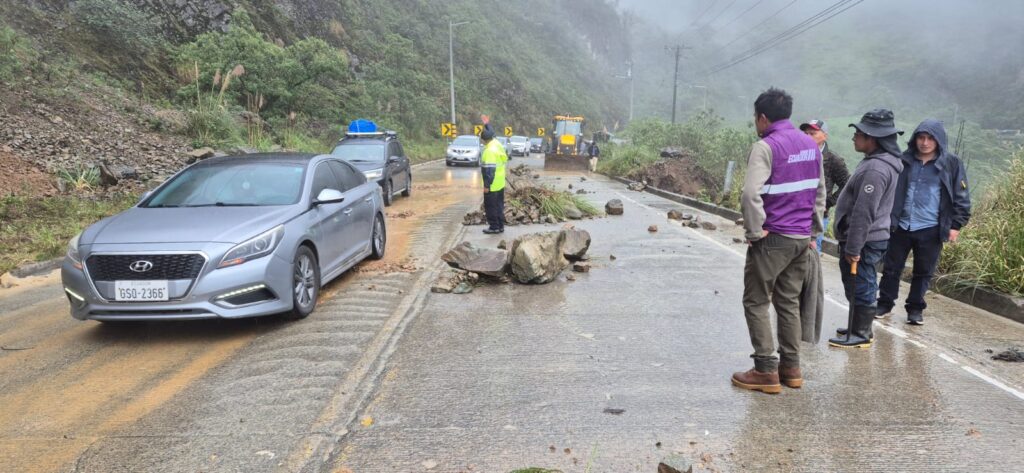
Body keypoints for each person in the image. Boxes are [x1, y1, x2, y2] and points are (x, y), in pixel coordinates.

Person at [734, 87, 826, 394]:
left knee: (756, 300)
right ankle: (791, 368)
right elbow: (819, 193)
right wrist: (812, 233)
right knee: (788, 302)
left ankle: (765, 370)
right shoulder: (811, 146)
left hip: (774, 237)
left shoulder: (765, 146)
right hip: (801, 239)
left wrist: (754, 231)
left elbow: (750, 194)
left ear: (762, 118)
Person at [877, 119, 971, 325]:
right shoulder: (904, 160)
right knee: (891, 268)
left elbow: (961, 195)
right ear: (915, 139)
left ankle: (915, 309)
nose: (925, 143)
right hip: (900, 225)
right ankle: (884, 303)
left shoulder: (951, 163)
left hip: (931, 227)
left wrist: (956, 225)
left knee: (923, 271)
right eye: (921, 137)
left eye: (930, 138)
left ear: (939, 141)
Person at [828, 109, 904, 348]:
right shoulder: (875, 162)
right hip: (867, 237)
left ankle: (861, 333)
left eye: (859, 133)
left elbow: (864, 212)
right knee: (857, 283)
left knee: (861, 283)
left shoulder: (876, 169)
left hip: (865, 239)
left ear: (873, 138)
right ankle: (857, 326)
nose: (854, 137)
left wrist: (853, 247)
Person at [799, 119, 850, 252]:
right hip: (796, 212)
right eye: (805, 133)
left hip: (817, 216)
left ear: (824, 136)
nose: (808, 137)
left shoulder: (833, 160)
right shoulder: (797, 154)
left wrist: (828, 203)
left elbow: (847, 184)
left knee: (812, 253)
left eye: (812, 133)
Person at [479, 124, 508, 234]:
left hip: (492, 184)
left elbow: (489, 171)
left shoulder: (489, 151)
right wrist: (487, 125)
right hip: (500, 183)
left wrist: (487, 185)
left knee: (490, 206)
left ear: (484, 140)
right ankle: (500, 226)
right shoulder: (497, 144)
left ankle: (494, 227)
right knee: (499, 205)